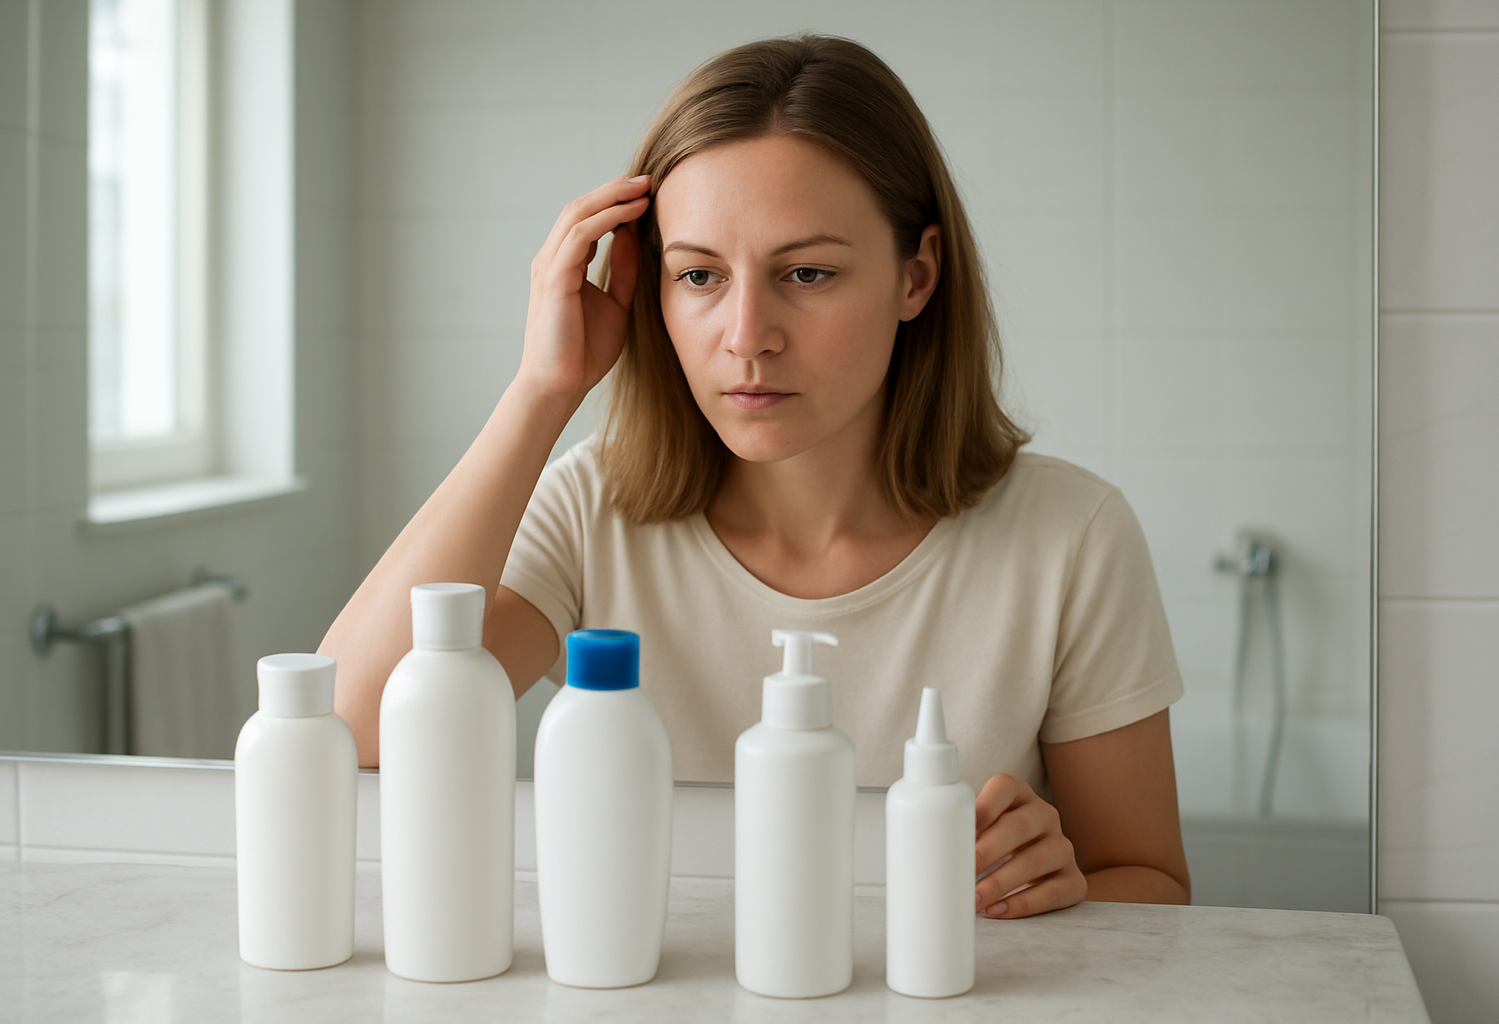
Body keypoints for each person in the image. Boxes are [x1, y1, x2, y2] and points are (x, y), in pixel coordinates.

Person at [322, 34, 1190, 919]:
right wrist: (543, 392)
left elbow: (1152, 883)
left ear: (917, 275)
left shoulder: (1071, 536)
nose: (746, 335)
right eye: (698, 275)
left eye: (806, 273)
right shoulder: (593, 512)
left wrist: (1059, 883)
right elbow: (346, 731)